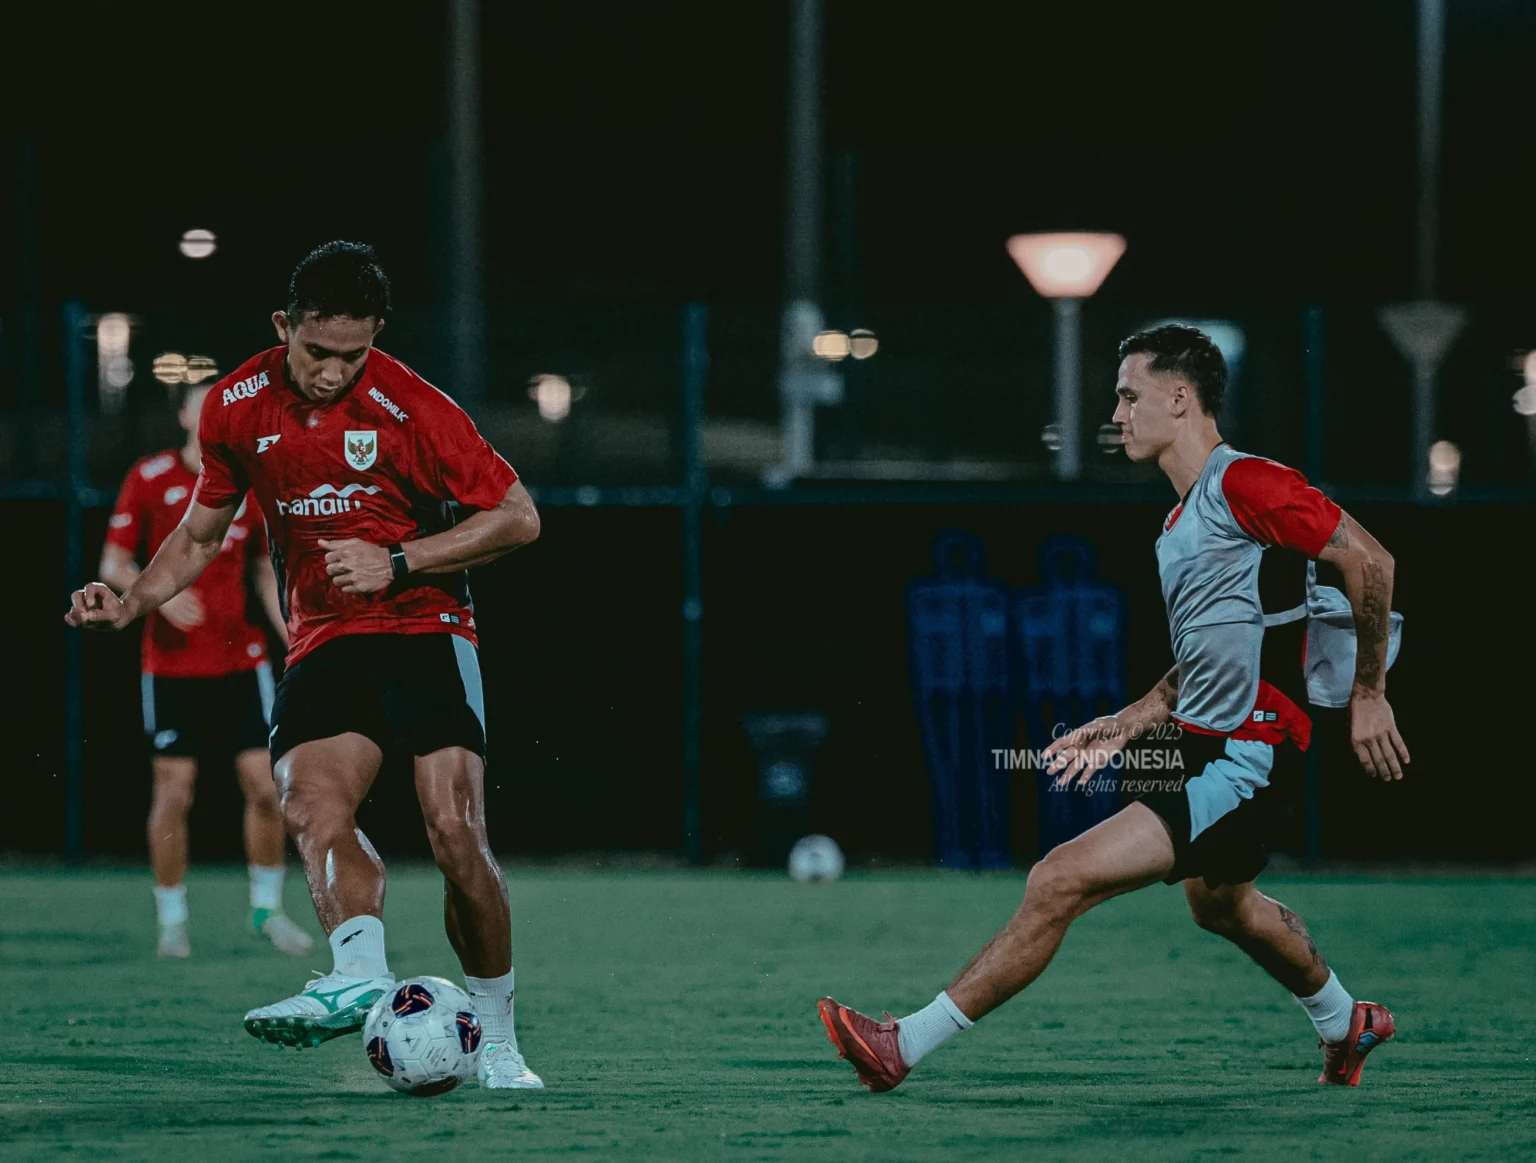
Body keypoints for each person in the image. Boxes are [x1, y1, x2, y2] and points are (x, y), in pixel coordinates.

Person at [817, 324, 1408, 1091]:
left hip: (1241, 748)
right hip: (1204, 740)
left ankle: (902, 1042)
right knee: (1223, 907)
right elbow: (1216, 648)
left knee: (1059, 877)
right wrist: (1131, 718)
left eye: (1130, 396)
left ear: (1180, 397)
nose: (1119, 413)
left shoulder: (1244, 482)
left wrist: (1369, 693)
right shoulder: (1180, 522)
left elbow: (1370, 560)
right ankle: (1346, 1020)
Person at [66, 241, 544, 1089]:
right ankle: (358, 971)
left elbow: (517, 517)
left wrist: (401, 559)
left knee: (454, 831)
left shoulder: (413, 405)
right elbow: (201, 530)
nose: (332, 373)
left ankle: (498, 1033)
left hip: (428, 624)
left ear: (377, 337)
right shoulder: (237, 404)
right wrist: (133, 598)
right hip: (325, 634)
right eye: (318, 352)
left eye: (352, 355)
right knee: (309, 799)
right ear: (285, 326)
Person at [102, 381, 312, 959]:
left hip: (240, 661)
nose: (215, 410)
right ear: (185, 414)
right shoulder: (150, 478)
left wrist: (292, 631)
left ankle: (267, 910)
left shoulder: (247, 481)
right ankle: (173, 920)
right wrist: (161, 597)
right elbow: (112, 563)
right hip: (170, 664)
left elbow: (266, 572)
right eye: (204, 401)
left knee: (267, 787)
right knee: (176, 791)